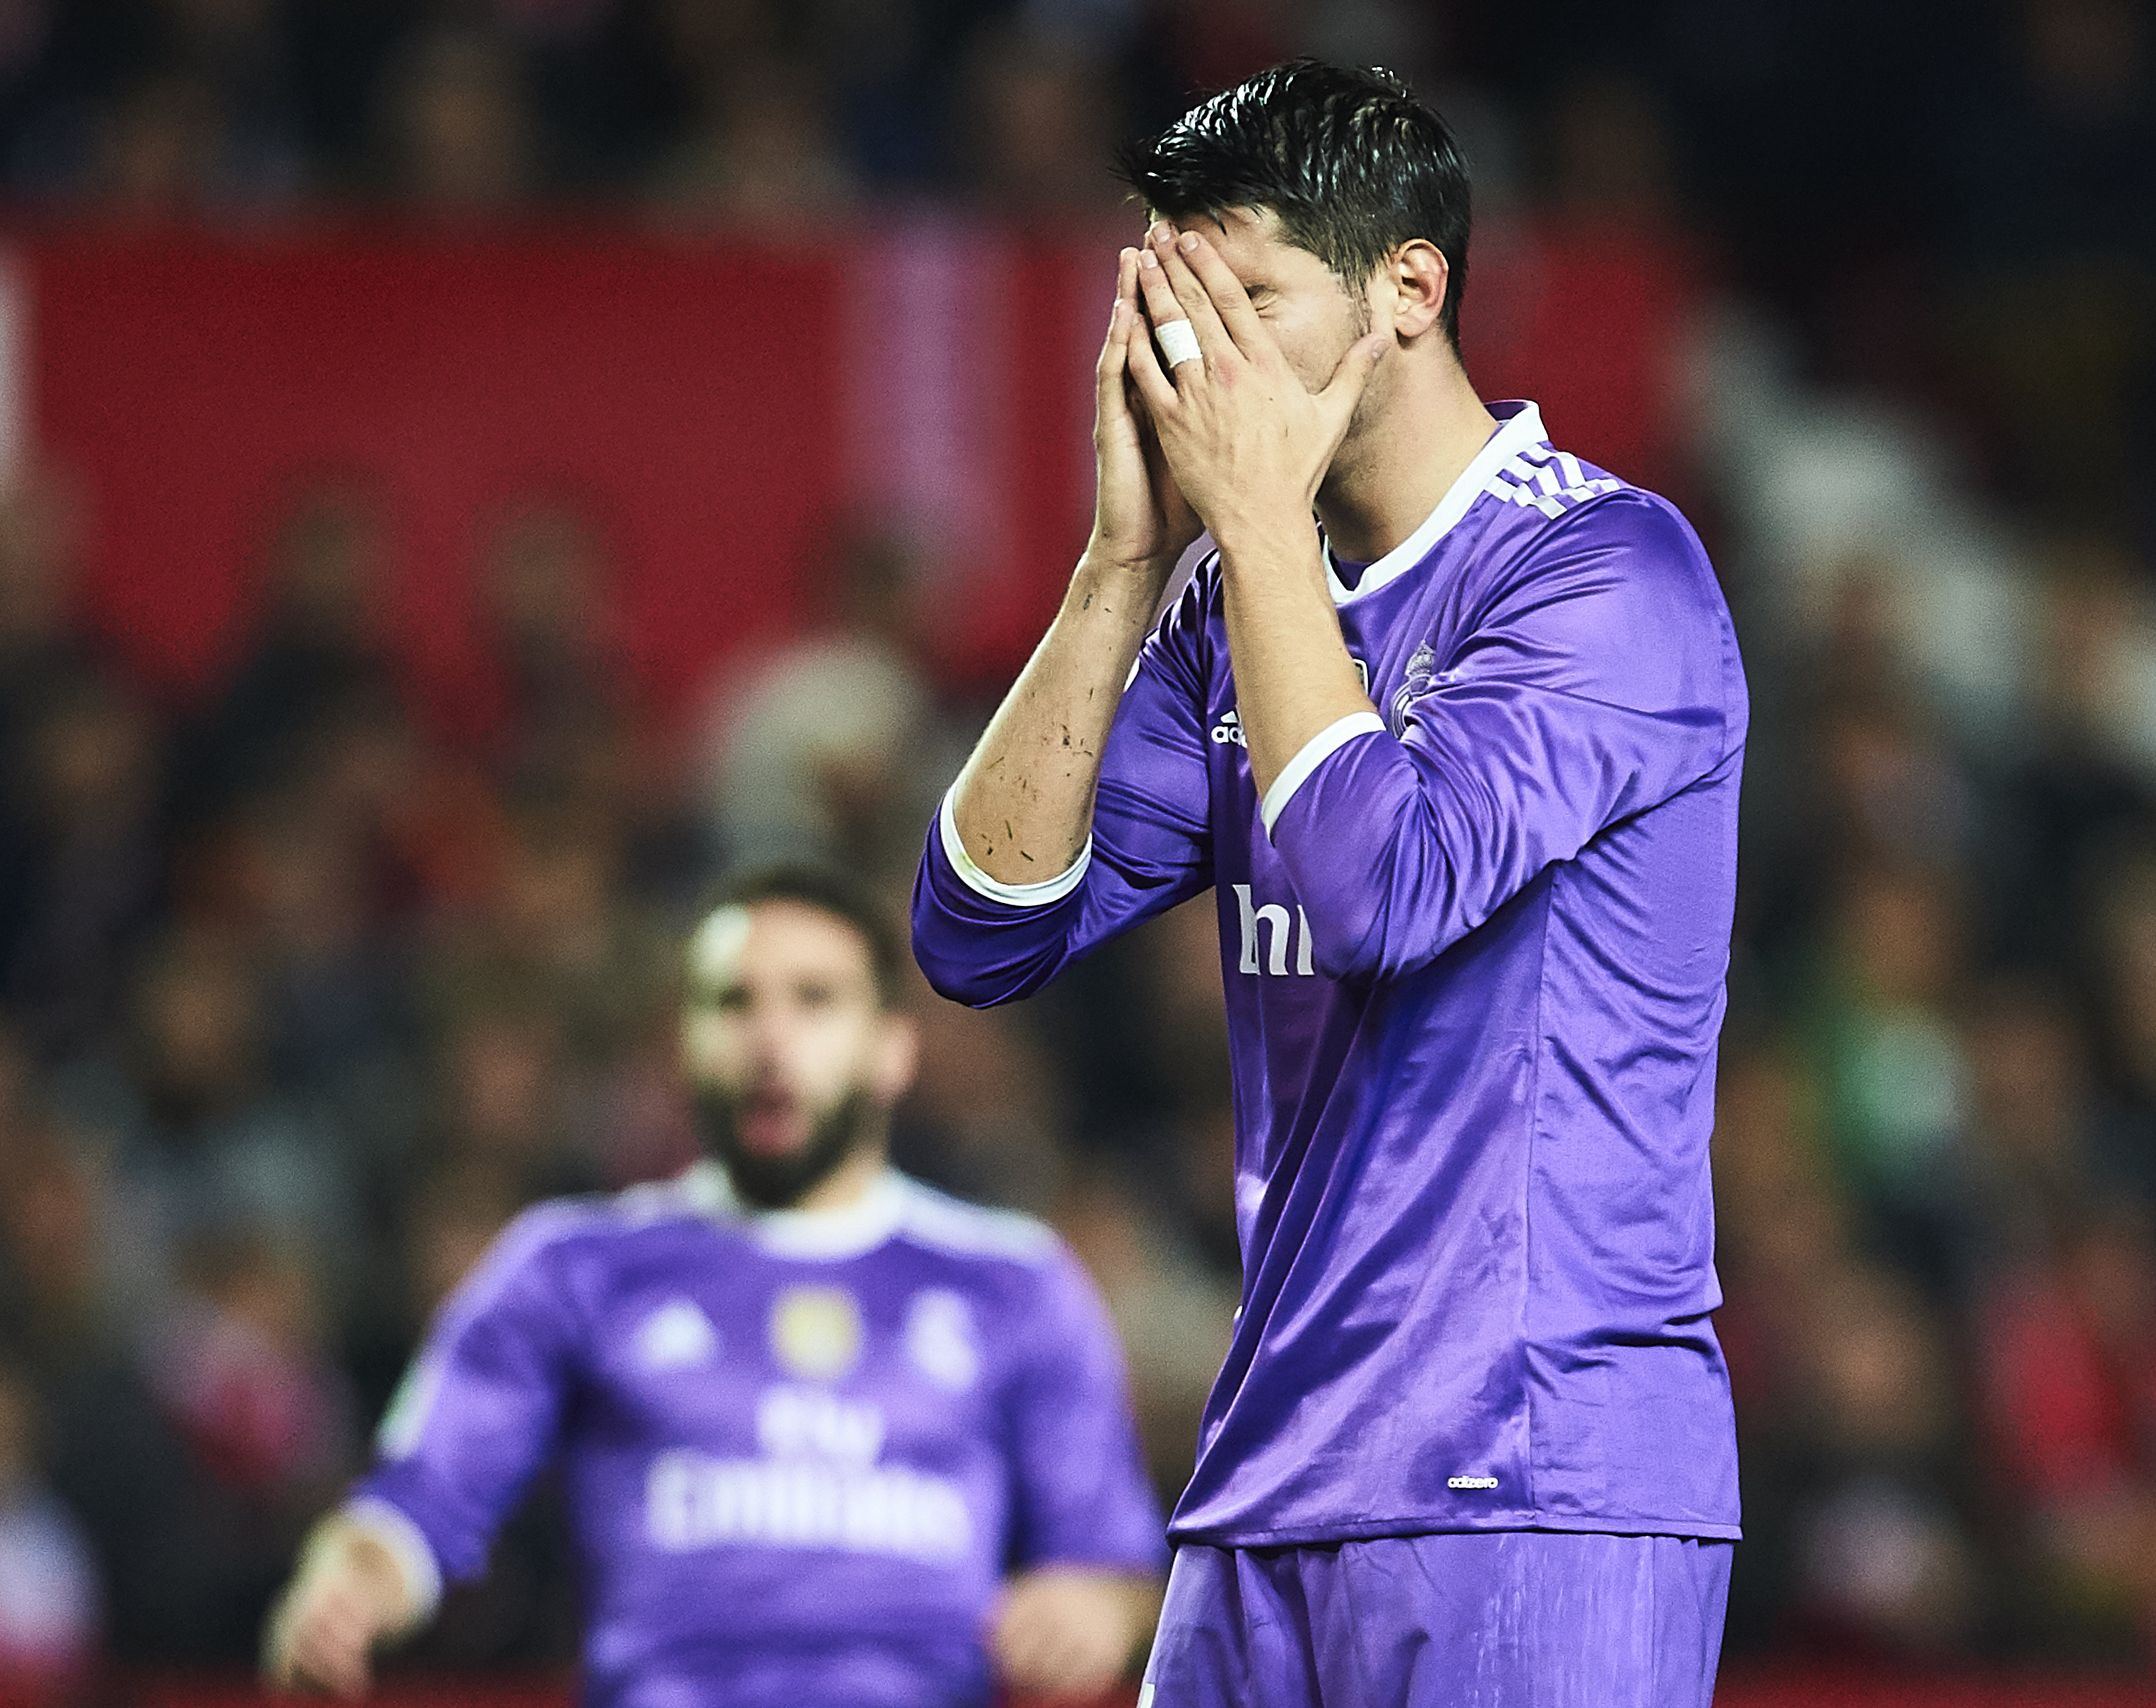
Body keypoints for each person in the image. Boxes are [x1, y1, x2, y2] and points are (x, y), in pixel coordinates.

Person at [910, 60, 1746, 1708]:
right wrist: (1118, 568)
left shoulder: (1604, 573)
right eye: (1172, 307)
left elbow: (1383, 892)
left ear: (1408, 292)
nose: (1194, 360)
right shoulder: (1229, 599)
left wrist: (1252, 534)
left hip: (1536, 1474)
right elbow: (978, 935)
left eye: (1249, 303)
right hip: (1269, 1482)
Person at [262, 863, 1165, 1706]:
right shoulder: (573, 1267)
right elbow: (420, 1502)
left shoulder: (1012, 1283)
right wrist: (346, 1588)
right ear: (684, 1042)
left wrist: (1098, 1608)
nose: (770, 1039)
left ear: (892, 1049)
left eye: (814, 1000)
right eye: (733, 1002)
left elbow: (1117, 1567)